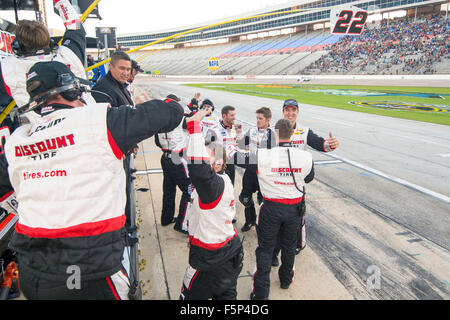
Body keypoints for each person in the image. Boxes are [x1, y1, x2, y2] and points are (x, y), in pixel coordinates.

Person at [0, 61, 184, 300]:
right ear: (72, 90)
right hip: (85, 273)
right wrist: (172, 101)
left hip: (32, 273)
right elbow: (171, 113)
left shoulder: (17, 141)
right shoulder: (99, 121)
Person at [234, 119, 314, 300]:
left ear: (275, 134)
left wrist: (232, 142)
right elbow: (309, 178)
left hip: (271, 208)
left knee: (265, 249)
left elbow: (237, 159)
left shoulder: (263, 155)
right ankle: (285, 280)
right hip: (294, 209)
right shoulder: (306, 156)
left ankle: (261, 293)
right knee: (288, 246)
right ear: (292, 134)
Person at [179, 106, 243, 300]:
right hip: (227, 251)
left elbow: (198, 170)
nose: (204, 156)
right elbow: (194, 162)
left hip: (211, 257)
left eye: (209, 154)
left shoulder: (213, 186)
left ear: (218, 163)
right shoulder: (220, 181)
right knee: (227, 294)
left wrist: (194, 127)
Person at [0, 0, 91, 122]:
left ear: (17, 45)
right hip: (88, 123)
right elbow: (75, 26)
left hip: (47, 135)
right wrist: (60, 2)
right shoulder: (69, 53)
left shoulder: (8, 67)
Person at [272, 98, 339, 262]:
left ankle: (294, 245)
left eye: (293, 110)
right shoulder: (275, 130)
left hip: (296, 186)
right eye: (287, 110)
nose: (290, 113)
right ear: (283, 112)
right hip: (277, 184)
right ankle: (274, 252)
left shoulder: (304, 131)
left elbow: (320, 144)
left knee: (296, 219)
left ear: (297, 112)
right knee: (274, 221)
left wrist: (331, 145)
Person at [155, 94, 192, 233]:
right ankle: (182, 224)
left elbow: (157, 142)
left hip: (165, 157)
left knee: (169, 189)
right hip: (177, 157)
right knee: (189, 189)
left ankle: (166, 218)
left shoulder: (159, 121)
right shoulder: (180, 119)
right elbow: (193, 121)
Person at [238, 107, 275, 232]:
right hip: (251, 170)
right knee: (244, 198)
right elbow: (242, 143)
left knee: (263, 202)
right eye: (257, 118)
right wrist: (238, 133)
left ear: (268, 119)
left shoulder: (274, 133)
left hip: (265, 173)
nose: (258, 121)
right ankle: (250, 220)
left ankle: (262, 226)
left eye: (260, 118)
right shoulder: (252, 130)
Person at [206, 105, 242, 185]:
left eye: (234, 115)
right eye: (232, 115)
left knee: (230, 187)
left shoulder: (233, 128)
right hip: (218, 165)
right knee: (218, 189)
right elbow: (206, 147)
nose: (234, 117)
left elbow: (236, 142)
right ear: (224, 116)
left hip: (230, 164)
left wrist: (238, 134)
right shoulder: (213, 129)